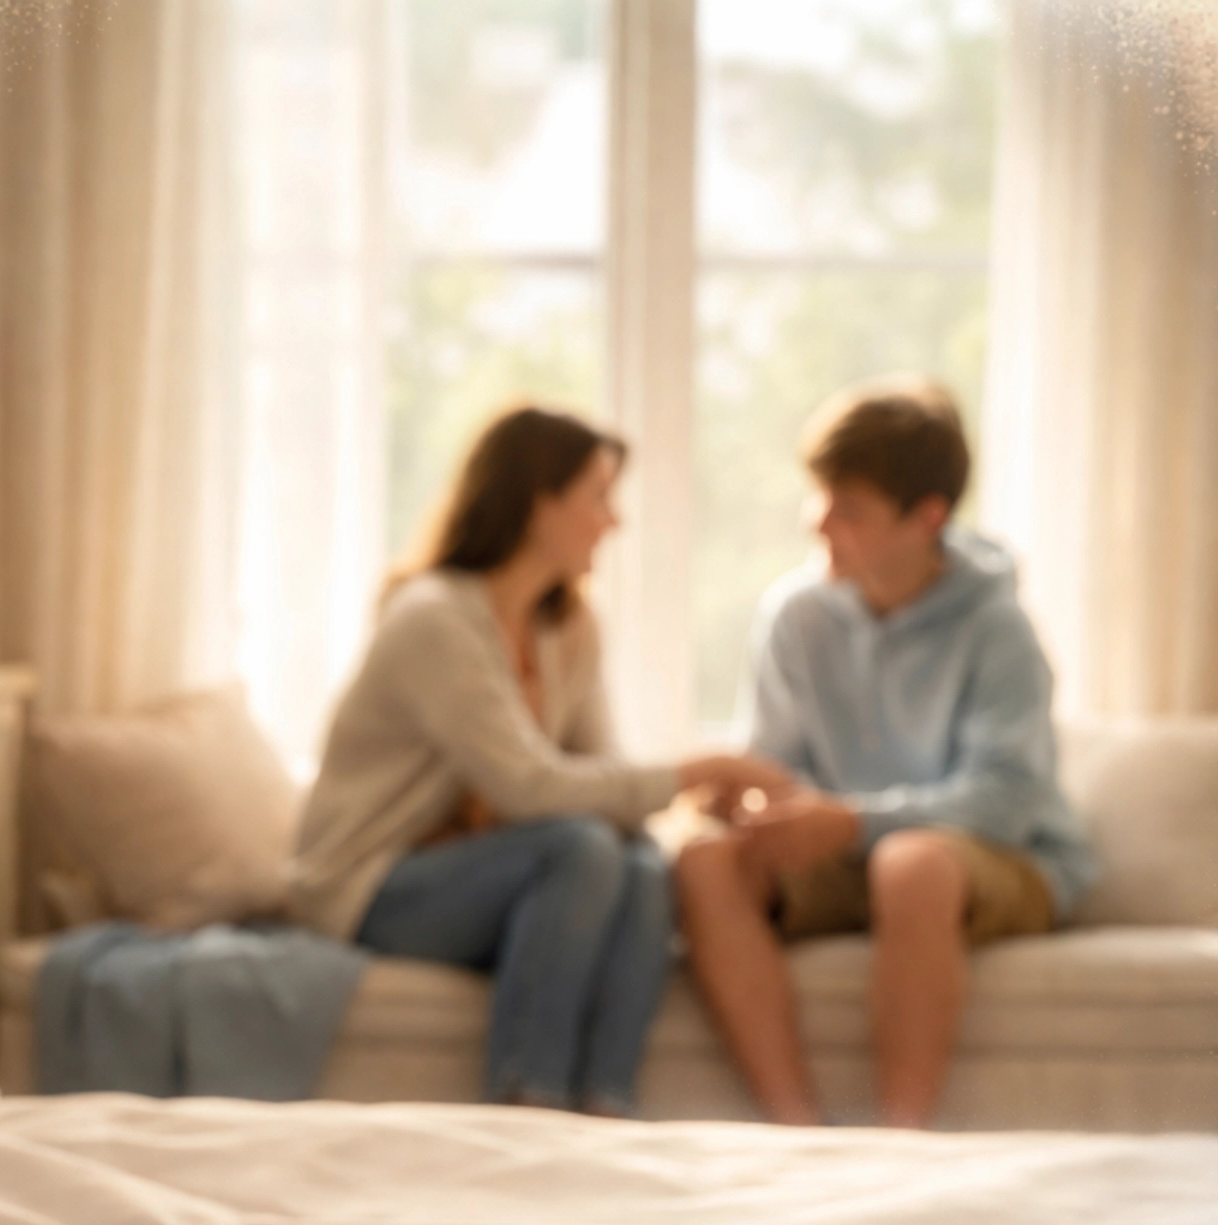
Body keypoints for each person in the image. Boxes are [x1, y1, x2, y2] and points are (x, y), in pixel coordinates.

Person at [289, 406, 754, 1115]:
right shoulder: (434, 619)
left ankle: (605, 1106)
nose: (614, 521)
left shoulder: (570, 628)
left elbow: (601, 775)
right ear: (540, 504)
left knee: (640, 863)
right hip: (370, 882)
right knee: (578, 847)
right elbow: (529, 787)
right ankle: (525, 1100)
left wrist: (684, 803)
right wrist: (694, 773)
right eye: (599, 497)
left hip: (481, 871)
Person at [675, 378, 1099, 1128]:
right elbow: (777, 763)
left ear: (926, 518)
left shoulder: (998, 629)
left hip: (995, 856)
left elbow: (1003, 801)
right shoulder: (796, 616)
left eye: (848, 508)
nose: (816, 522)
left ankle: (900, 1141)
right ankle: (799, 1135)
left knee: (911, 864)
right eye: (819, 495)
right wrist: (745, 799)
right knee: (707, 862)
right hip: (848, 857)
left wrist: (852, 823)